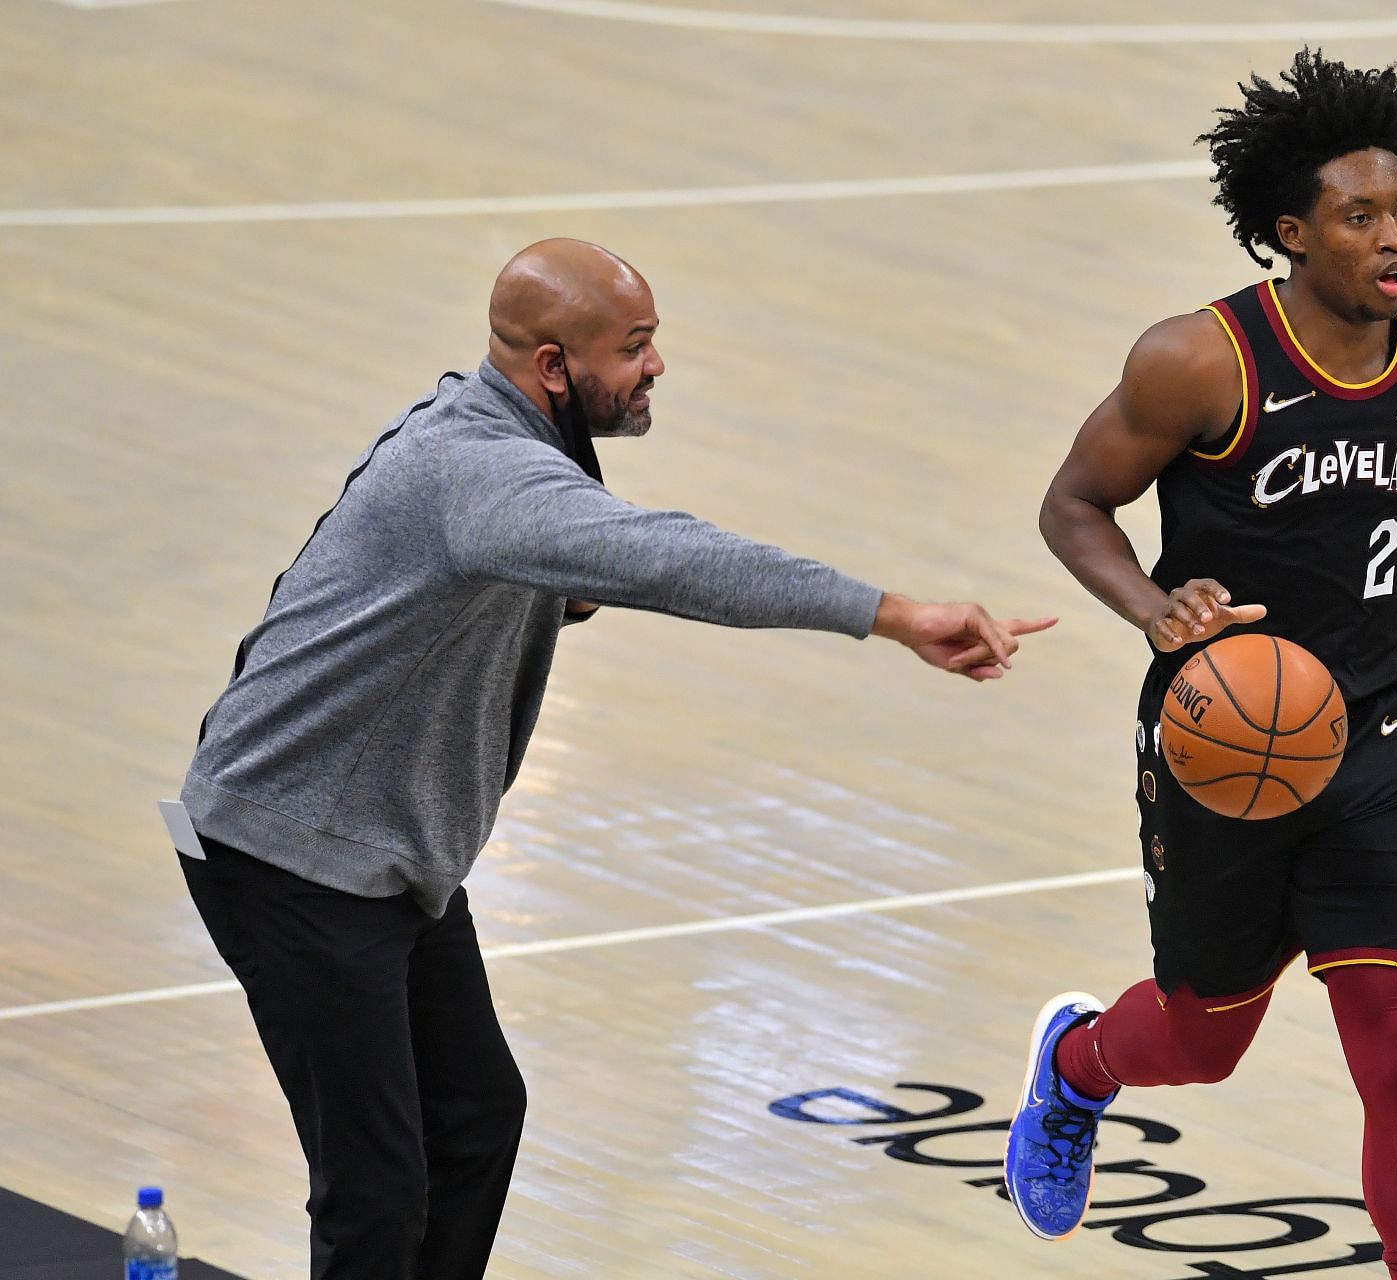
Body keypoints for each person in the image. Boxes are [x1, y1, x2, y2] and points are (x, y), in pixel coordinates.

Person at [173, 238, 1054, 1279]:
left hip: (376, 851)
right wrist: (891, 612)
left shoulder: (497, 433)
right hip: (290, 851)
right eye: (634, 348)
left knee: (475, 1115)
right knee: (375, 1184)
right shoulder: (484, 472)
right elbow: (678, 559)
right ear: (554, 366)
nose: (656, 368)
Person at [1003, 52, 1397, 1276]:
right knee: (1202, 1041)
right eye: (1360, 216)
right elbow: (1074, 505)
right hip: (1222, 739)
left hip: (1377, 748)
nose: (1393, 235)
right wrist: (1153, 605)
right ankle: (1078, 1064)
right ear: (1292, 233)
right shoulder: (1196, 362)